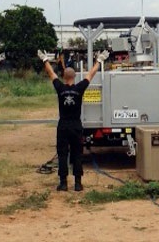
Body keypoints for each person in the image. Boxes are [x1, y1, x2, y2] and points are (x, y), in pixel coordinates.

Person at [38, 47, 110, 192]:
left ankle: (63, 183)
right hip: (76, 125)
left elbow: (51, 73)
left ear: (64, 77)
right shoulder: (79, 88)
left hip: (63, 125)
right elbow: (91, 74)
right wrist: (99, 61)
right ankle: (78, 183)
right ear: (75, 76)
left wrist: (45, 60)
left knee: (63, 154)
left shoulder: (60, 88)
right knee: (77, 154)